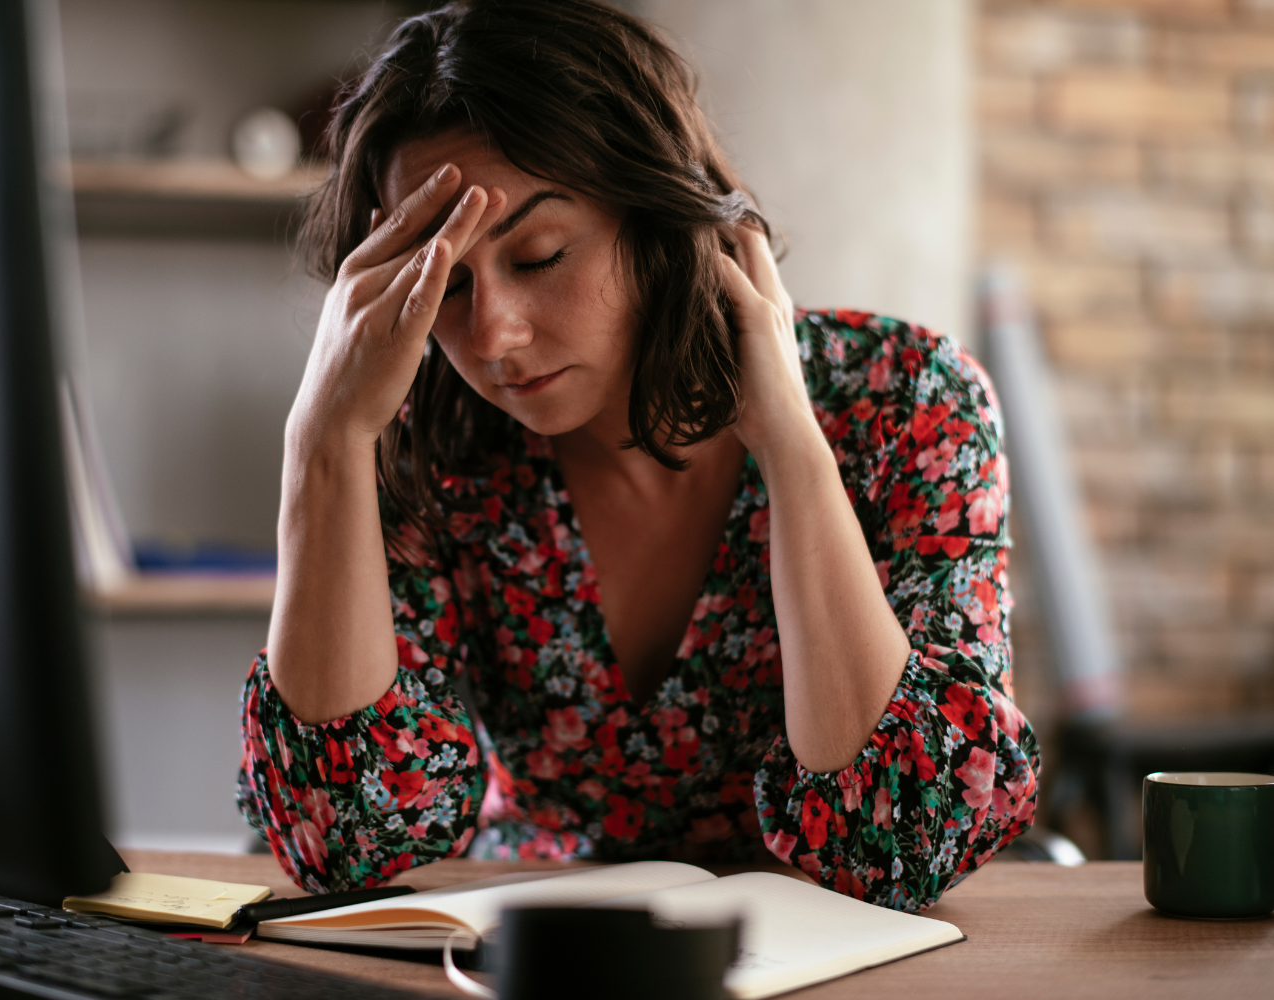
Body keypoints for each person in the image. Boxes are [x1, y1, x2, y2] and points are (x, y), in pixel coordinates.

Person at [238, 0, 1038, 912]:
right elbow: (339, 844)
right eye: (445, 282)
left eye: (539, 256)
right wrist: (322, 446)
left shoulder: (907, 403)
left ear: (661, 222)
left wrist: (792, 450)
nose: (493, 334)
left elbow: (898, 844)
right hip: (529, 946)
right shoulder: (423, 440)